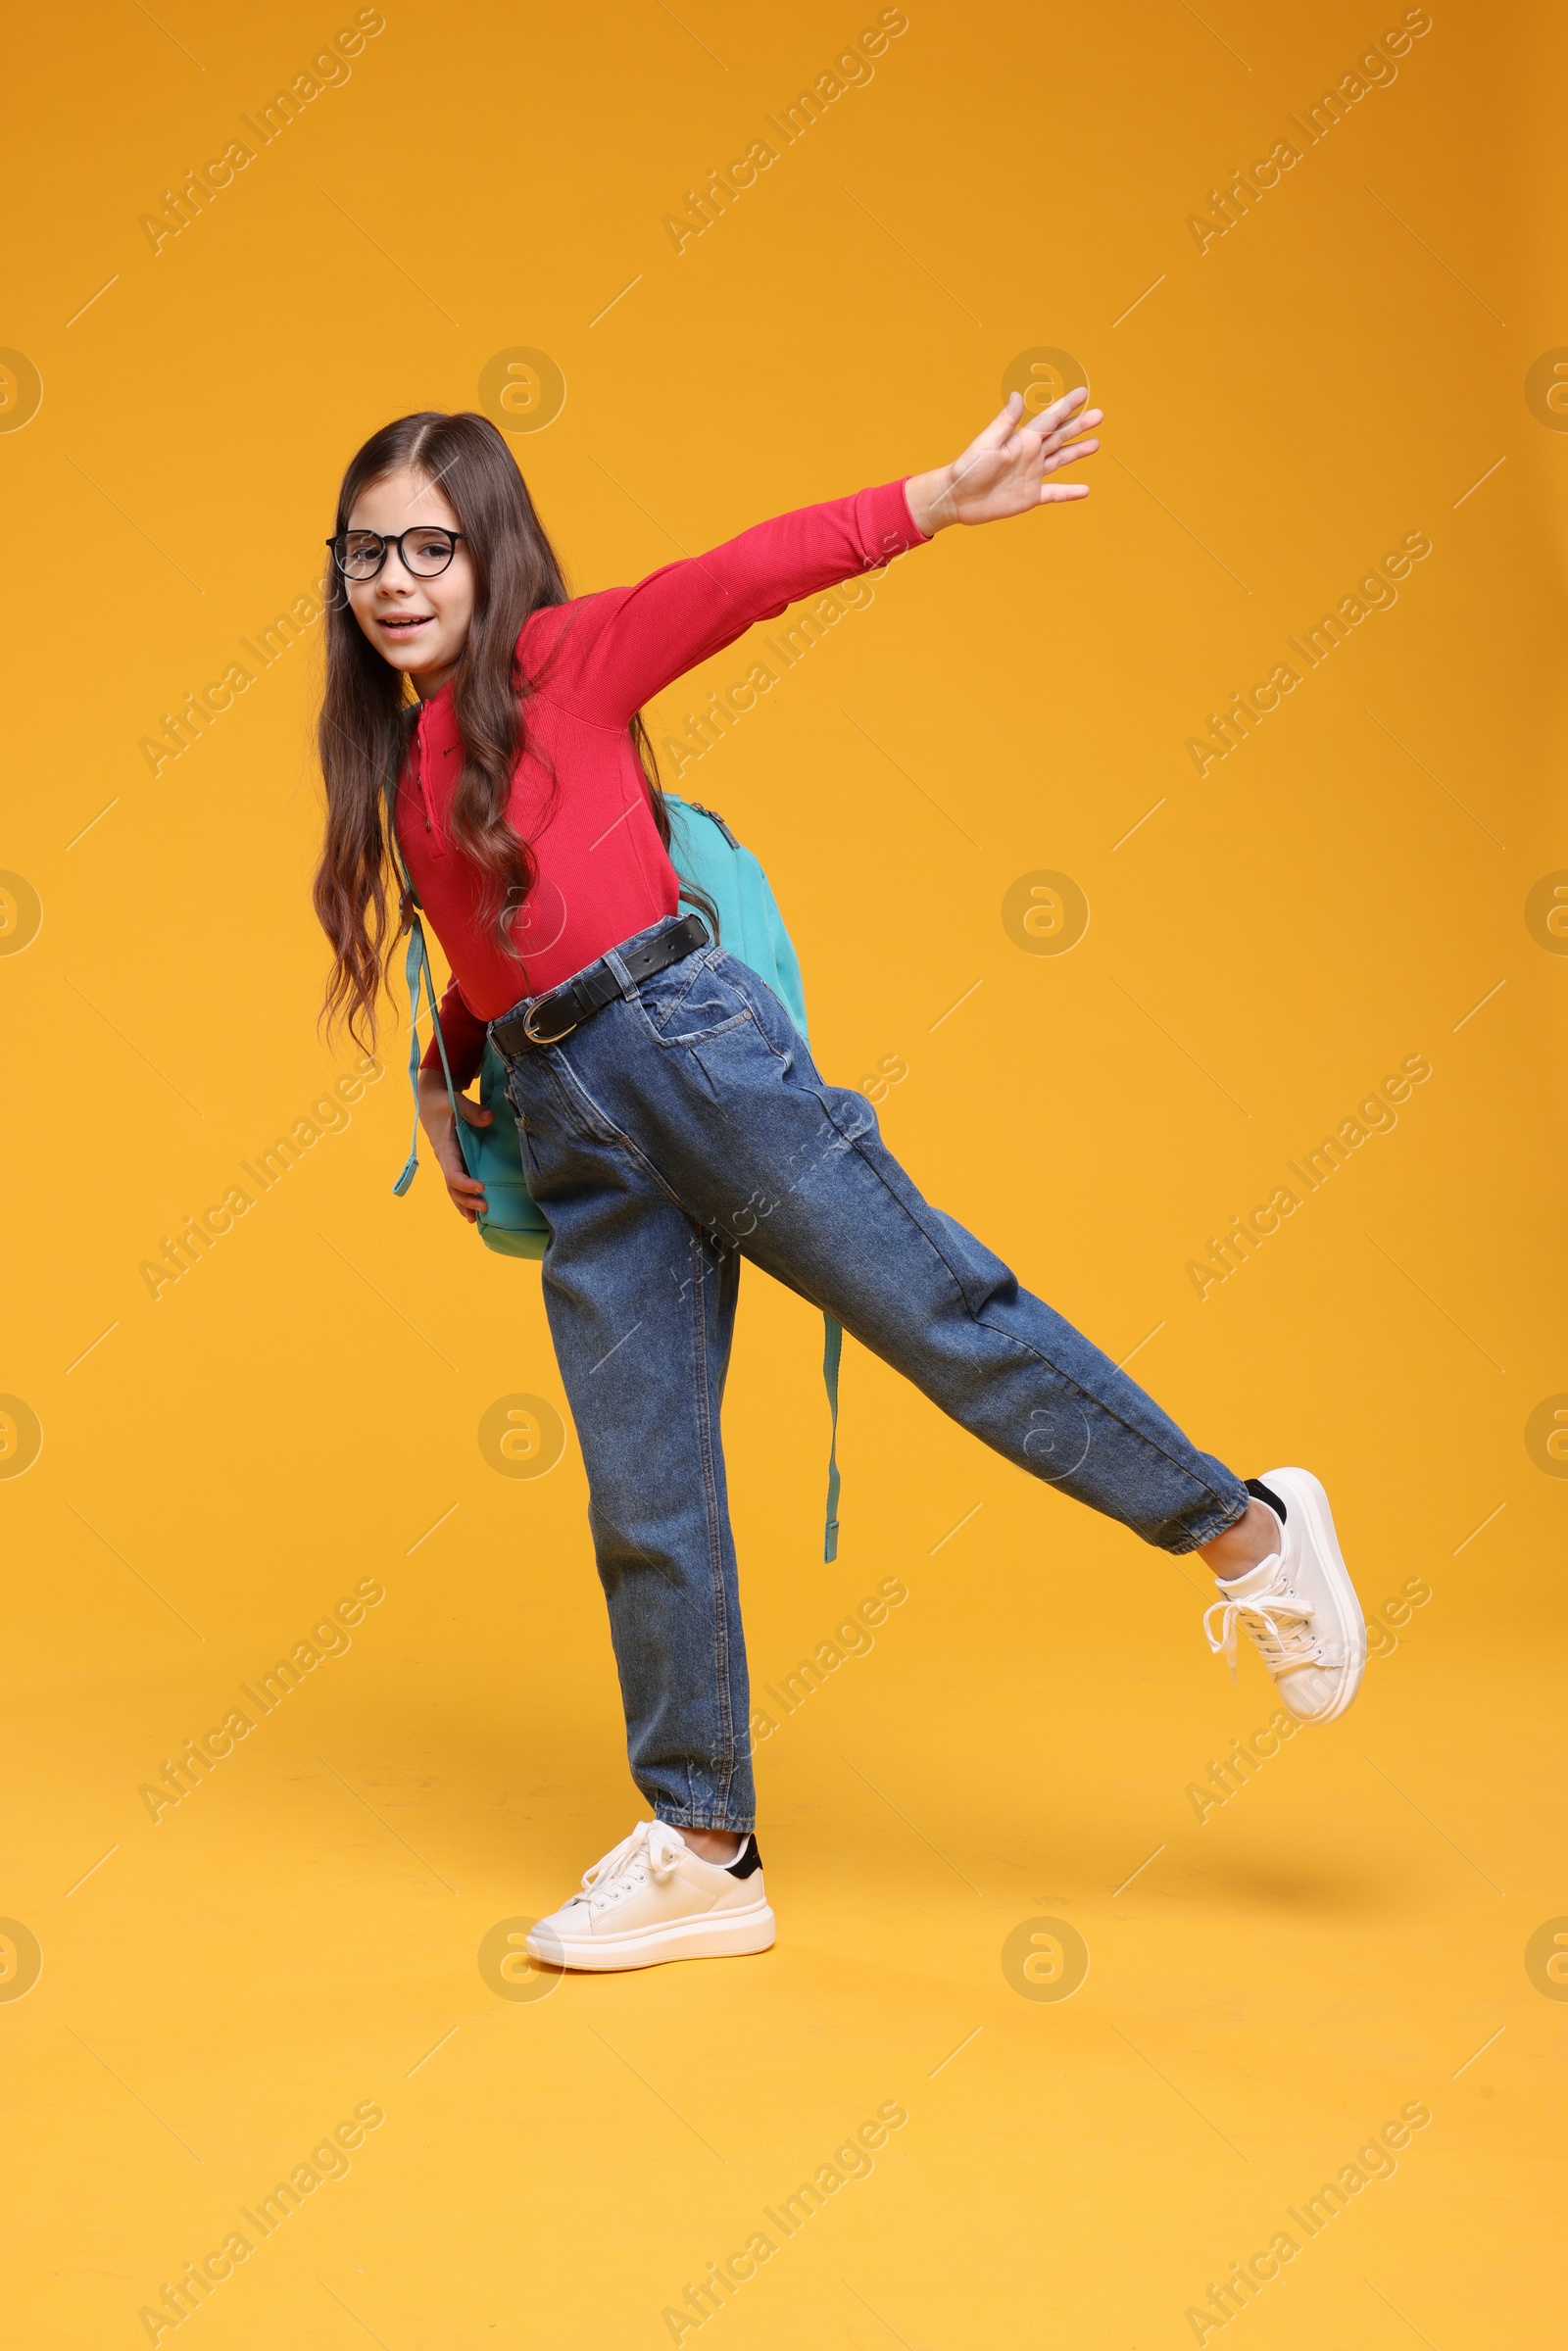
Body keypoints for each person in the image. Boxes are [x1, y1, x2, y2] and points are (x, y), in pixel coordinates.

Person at [313, 390, 1365, 1974]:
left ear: (490, 557)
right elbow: (479, 960)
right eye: (365, 551)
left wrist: (937, 495)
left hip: (686, 1050)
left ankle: (1248, 1528)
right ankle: (704, 1846)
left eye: (430, 547)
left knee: (943, 1318)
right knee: (644, 1487)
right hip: (577, 1124)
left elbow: (738, 577)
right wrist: (449, 1087)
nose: (396, 579)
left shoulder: (559, 664)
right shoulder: (405, 778)